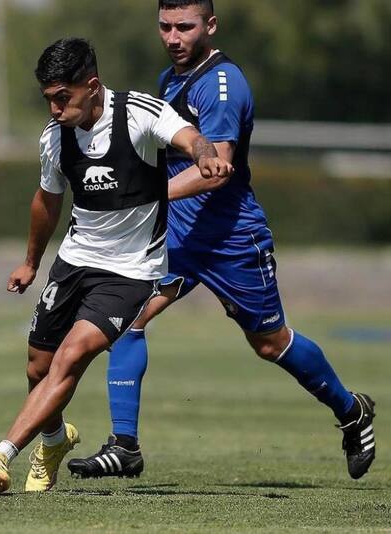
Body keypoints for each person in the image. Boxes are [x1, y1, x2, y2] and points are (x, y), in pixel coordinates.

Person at [68, 0, 375, 481]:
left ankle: (351, 409)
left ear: (210, 25)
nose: (173, 37)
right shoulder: (171, 80)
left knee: (270, 343)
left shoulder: (222, 85)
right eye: (165, 27)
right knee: (126, 320)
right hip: (177, 234)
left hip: (230, 235)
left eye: (185, 27)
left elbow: (217, 169)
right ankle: (124, 445)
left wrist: (143, 195)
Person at [0, 37, 233, 494]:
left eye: (62, 97)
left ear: (92, 85)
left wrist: (205, 156)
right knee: (38, 367)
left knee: (71, 357)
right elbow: (47, 203)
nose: (54, 108)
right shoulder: (54, 139)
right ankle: (54, 440)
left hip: (132, 270)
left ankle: (1, 455)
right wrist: (31, 262)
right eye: (48, 98)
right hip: (74, 261)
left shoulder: (139, 114)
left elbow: (189, 137)